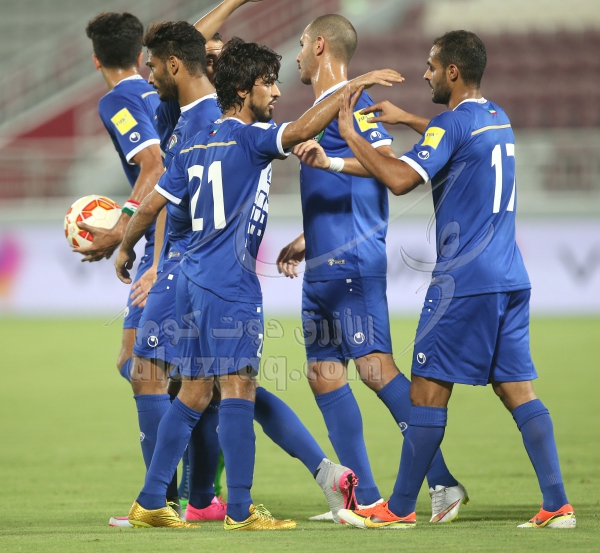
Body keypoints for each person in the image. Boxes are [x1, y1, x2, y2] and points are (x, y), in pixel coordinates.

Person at [114, 37, 402, 529]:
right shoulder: (251, 137)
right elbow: (305, 128)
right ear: (245, 91)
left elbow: (152, 204)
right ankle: (242, 511)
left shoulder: (196, 140)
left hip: (189, 280)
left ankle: (150, 502)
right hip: (230, 283)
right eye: (269, 83)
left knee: (194, 392)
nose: (277, 92)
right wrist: (353, 85)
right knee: (239, 388)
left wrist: (126, 247)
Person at [336, 30, 575, 529]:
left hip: (465, 280)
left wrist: (351, 135)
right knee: (518, 390)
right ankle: (557, 505)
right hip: (510, 276)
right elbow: (457, 138)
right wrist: (409, 120)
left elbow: (400, 180)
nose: (424, 74)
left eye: (431, 66)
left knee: (425, 391)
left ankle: (399, 509)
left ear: (452, 71)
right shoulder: (496, 117)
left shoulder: (451, 123)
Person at [277, 14, 466, 523]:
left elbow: (386, 164)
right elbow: (339, 188)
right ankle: (364, 499)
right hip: (323, 264)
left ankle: (442, 482)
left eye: (301, 44)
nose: (297, 54)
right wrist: (307, 239)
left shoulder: (353, 104)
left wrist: (334, 162)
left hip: (354, 264)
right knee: (323, 374)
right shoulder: (321, 108)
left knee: (376, 369)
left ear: (320, 46)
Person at [108, 20, 224, 528]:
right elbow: (168, 199)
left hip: (191, 265)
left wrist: (136, 247)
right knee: (195, 383)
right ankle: (192, 500)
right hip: (180, 261)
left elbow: (164, 192)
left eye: (153, 65)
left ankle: (172, 500)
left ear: (173, 64)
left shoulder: (205, 121)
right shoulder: (180, 115)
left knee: (161, 376)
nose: (147, 73)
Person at [83, 11, 181, 512]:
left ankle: (163, 500)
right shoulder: (158, 90)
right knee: (141, 365)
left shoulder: (117, 99)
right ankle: (178, 489)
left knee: (144, 369)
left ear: (96, 60)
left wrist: (123, 228)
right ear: (142, 56)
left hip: (166, 236)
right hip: (175, 233)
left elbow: (154, 165)